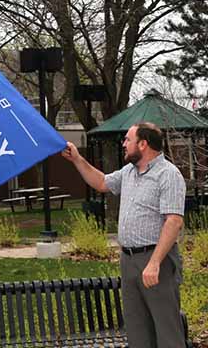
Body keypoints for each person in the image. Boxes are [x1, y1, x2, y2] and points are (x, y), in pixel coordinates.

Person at [62, 122, 186, 348]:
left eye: (128, 139)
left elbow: (174, 221)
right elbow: (101, 182)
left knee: (167, 333)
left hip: (155, 261)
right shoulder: (129, 172)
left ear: (143, 144)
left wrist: (155, 263)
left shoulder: (168, 174)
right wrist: (77, 160)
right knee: (137, 331)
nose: (124, 144)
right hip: (128, 261)